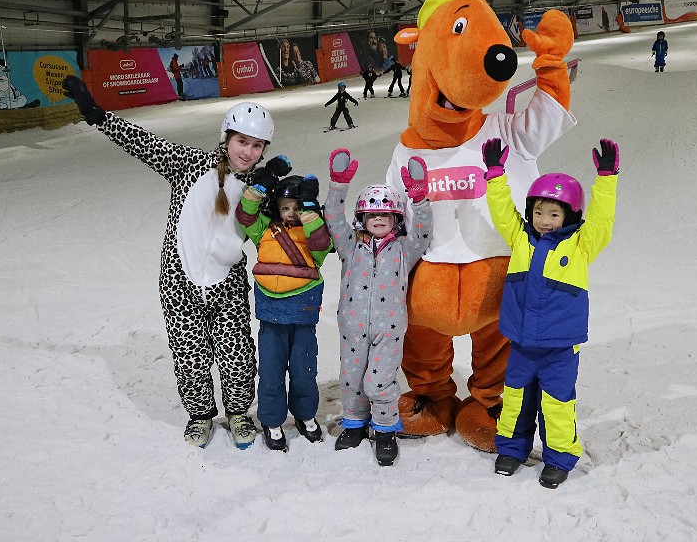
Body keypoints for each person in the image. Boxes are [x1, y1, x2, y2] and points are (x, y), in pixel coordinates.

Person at [61, 75, 290, 450]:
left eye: (256, 145)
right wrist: (96, 114)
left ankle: (237, 412)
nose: (247, 152)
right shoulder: (190, 165)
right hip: (178, 281)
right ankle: (200, 415)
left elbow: (291, 221)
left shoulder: (262, 189)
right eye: (241, 141)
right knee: (190, 357)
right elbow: (145, 143)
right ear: (226, 138)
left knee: (237, 355)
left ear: (265, 149)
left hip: (227, 282)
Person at [481, 137, 619, 488]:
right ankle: (512, 450)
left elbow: (601, 220)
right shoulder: (520, 238)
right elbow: (502, 211)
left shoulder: (581, 245)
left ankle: (559, 458)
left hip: (559, 348)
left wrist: (606, 179)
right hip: (523, 344)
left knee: (557, 404)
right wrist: (495, 175)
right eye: (539, 212)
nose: (544, 220)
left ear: (569, 215)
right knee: (515, 400)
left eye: (554, 214)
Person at [324, 148, 433, 466]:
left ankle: (385, 430)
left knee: (378, 380)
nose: (379, 220)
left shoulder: (404, 249)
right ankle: (355, 424)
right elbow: (332, 217)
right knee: (351, 378)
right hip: (353, 324)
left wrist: (419, 196)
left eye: (385, 215)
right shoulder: (350, 245)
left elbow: (424, 230)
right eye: (372, 215)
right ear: (362, 219)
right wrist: (338, 186)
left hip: (389, 327)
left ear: (396, 219)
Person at [236, 173, 333, 451]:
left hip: (302, 315)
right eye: (286, 207)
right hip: (272, 316)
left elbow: (322, 243)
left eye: (297, 207)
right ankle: (271, 419)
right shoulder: (265, 230)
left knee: (304, 370)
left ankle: (304, 414)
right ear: (276, 208)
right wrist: (261, 184)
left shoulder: (314, 236)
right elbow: (246, 214)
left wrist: (310, 208)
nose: (291, 213)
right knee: (271, 371)